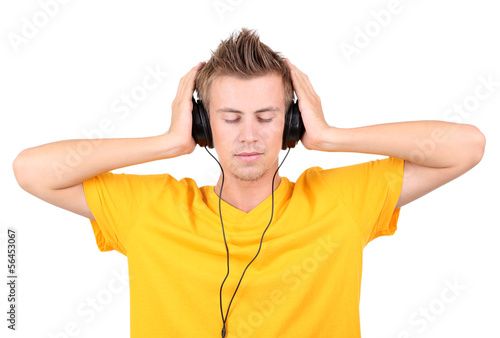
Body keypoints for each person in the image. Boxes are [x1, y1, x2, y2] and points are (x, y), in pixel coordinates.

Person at [12, 28, 485, 338]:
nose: (250, 135)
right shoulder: (151, 209)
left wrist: (330, 137)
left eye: (266, 116)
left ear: (291, 123)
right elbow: (30, 170)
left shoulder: (341, 202)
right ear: (204, 125)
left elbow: (465, 146)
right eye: (230, 117)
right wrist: (167, 142)